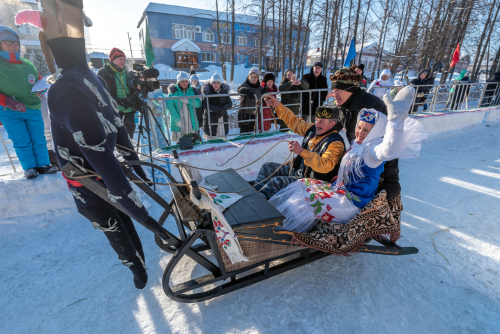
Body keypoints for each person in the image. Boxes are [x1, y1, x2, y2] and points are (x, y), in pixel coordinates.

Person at [26, 0, 166, 289]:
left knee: (121, 214)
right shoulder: (67, 88)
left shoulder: (88, 77)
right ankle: (135, 265)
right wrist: (138, 207)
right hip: (85, 177)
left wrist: (135, 168)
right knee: (112, 221)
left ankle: (137, 259)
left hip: (104, 164)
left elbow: (115, 125)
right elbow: (97, 151)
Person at [269, 86, 427, 237]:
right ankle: (270, 219)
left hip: (351, 203)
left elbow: (389, 149)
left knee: (303, 201)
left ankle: (283, 230)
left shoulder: (373, 151)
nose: (360, 132)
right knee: (301, 185)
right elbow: (296, 123)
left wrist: (396, 120)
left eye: (366, 130)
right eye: (359, 127)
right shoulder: (357, 146)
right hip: (338, 191)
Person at [326, 65, 402, 219]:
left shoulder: (372, 106)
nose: (333, 94)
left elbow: (387, 144)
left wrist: (391, 182)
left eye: (336, 90)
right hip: (356, 166)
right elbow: (334, 128)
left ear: (349, 90)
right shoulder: (346, 105)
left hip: (370, 172)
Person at [254, 97, 345, 200]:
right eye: (316, 120)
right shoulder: (312, 129)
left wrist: (301, 151)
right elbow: (295, 122)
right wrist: (278, 105)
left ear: (332, 124)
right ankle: (255, 198)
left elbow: (325, 165)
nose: (317, 125)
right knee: (267, 167)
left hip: (313, 182)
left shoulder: (336, 143)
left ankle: (259, 206)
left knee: (276, 182)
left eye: (322, 122)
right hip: (299, 172)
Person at [0, 25, 57, 179]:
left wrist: (41, 89)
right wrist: (7, 101)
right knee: (22, 140)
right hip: (10, 111)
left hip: (33, 107)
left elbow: (38, 81)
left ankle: (44, 164)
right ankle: (30, 167)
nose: (13, 46)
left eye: (16, 43)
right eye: (7, 42)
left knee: (39, 138)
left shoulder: (28, 64)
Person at [97, 48, 140, 138]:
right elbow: (100, 93)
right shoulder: (103, 73)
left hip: (129, 109)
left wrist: (134, 99)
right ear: (112, 59)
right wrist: (119, 101)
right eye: (120, 59)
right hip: (113, 110)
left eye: (124, 59)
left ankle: (130, 151)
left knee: (129, 136)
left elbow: (135, 91)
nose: (123, 61)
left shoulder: (129, 74)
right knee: (115, 136)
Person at [166, 72, 202, 142]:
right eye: (182, 81)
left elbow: (198, 104)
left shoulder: (192, 91)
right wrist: (177, 120)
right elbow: (170, 107)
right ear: (178, 82)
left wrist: (189, 101)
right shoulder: (173, 92)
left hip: (191, 122)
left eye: (186, 81)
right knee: (181, 143)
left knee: (194, 142)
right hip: (179, 122)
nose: (184, 83)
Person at [202, 74, 232, 138]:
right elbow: (205, 104)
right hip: (211, 118)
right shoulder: (207, 92)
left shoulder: (224, 92)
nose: (216, 84)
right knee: (211, 136)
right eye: (214, 82)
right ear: (211, 83)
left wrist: (223, 109)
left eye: (218, 83)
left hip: (222, 117)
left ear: (220, 83)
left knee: (222, 136)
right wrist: (217, 109)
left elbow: (229, 103)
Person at [237, 68, 266, 134]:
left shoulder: (260, 88)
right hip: (244, 114)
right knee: (243, 134)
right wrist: (246, 90)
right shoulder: (245, 84)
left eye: (255, 77)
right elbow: (239, 88)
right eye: (251, 77)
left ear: (258, 78)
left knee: (252, 134)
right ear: (249, 77)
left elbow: (262, 100)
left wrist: (265, 94)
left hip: (255, 115)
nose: (253, 79)